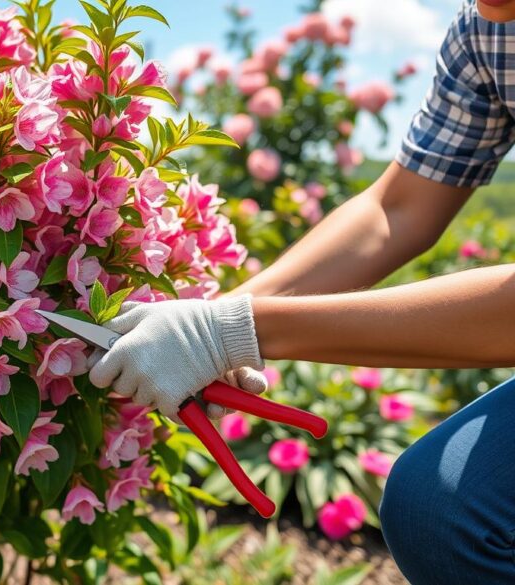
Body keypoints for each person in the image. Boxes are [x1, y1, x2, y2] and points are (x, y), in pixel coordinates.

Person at [88, 1, 515, 583]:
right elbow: (399, 207)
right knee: (439, 509)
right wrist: (213, 324)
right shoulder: (485, 32)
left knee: (454, 508)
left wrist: (236, 330)